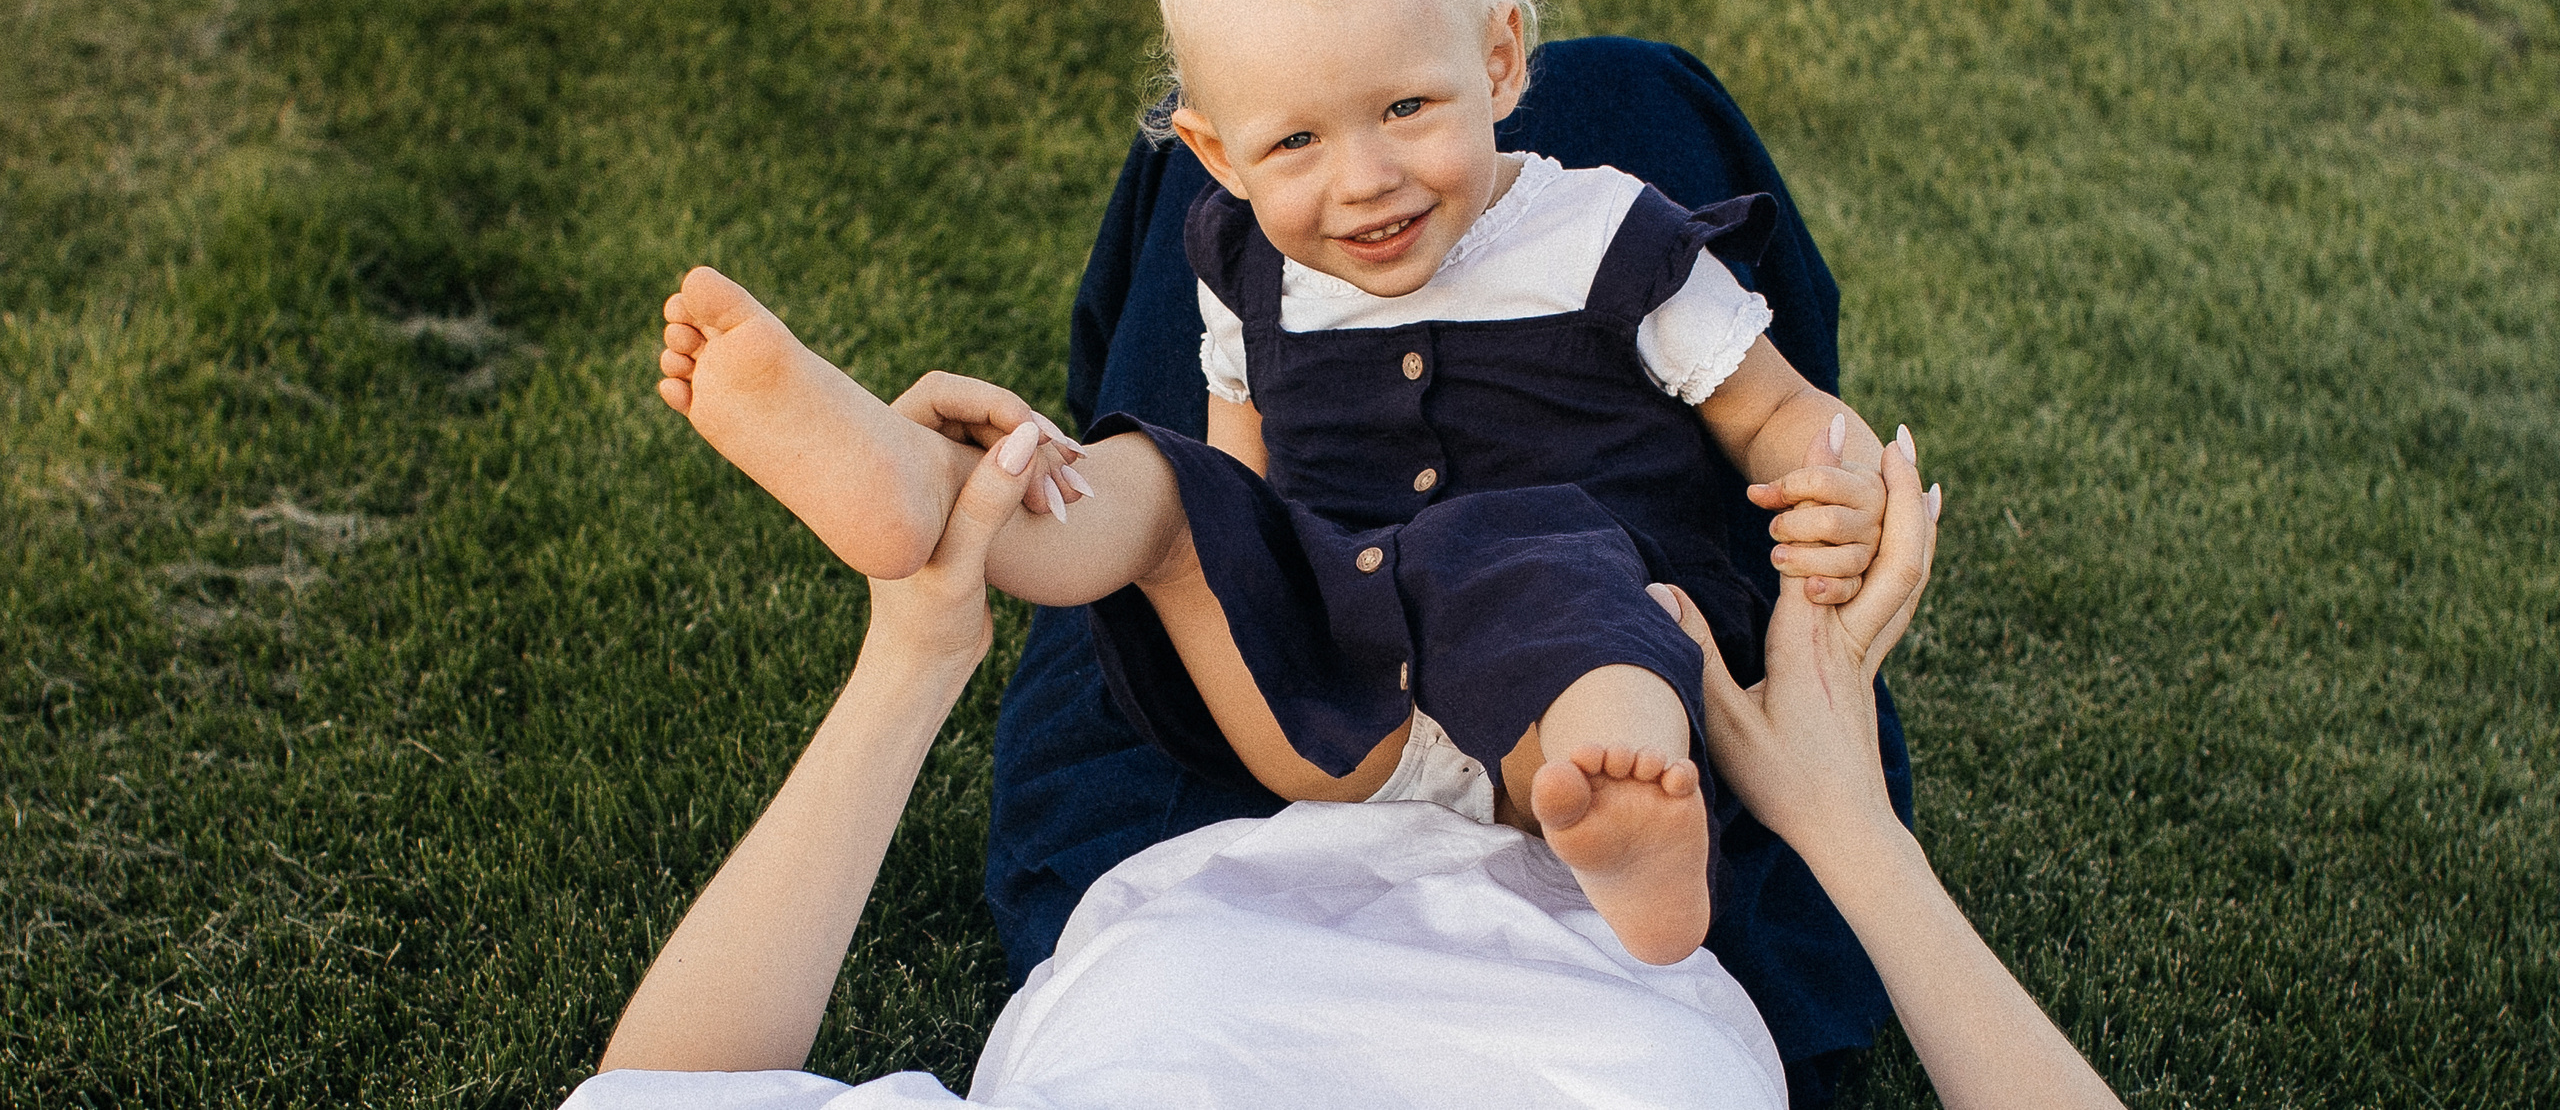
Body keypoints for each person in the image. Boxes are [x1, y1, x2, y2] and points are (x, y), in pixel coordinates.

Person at [654, 0, 1891, 966]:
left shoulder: (1614, 236)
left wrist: (1830, 483)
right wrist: (1216, 545)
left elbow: (1777, 410)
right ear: (1214, 152)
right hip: (1330, 699)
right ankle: (930, 493)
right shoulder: (1242, 265)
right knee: (1166, 490)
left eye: (1407, 107)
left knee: (1587, 596)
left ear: (1501, 61)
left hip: (1559, 684)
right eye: (1294, 138)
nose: (1363, 178)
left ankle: (1630, 825)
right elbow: (1237, 478)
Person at [563, 396, 2123, 1110]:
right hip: (1650, 850)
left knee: (1198, 405)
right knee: (1638, 256)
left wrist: (913, 657)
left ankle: (1275, 156)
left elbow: (662, 1094)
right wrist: (1848, 828)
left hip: (1188, 807)